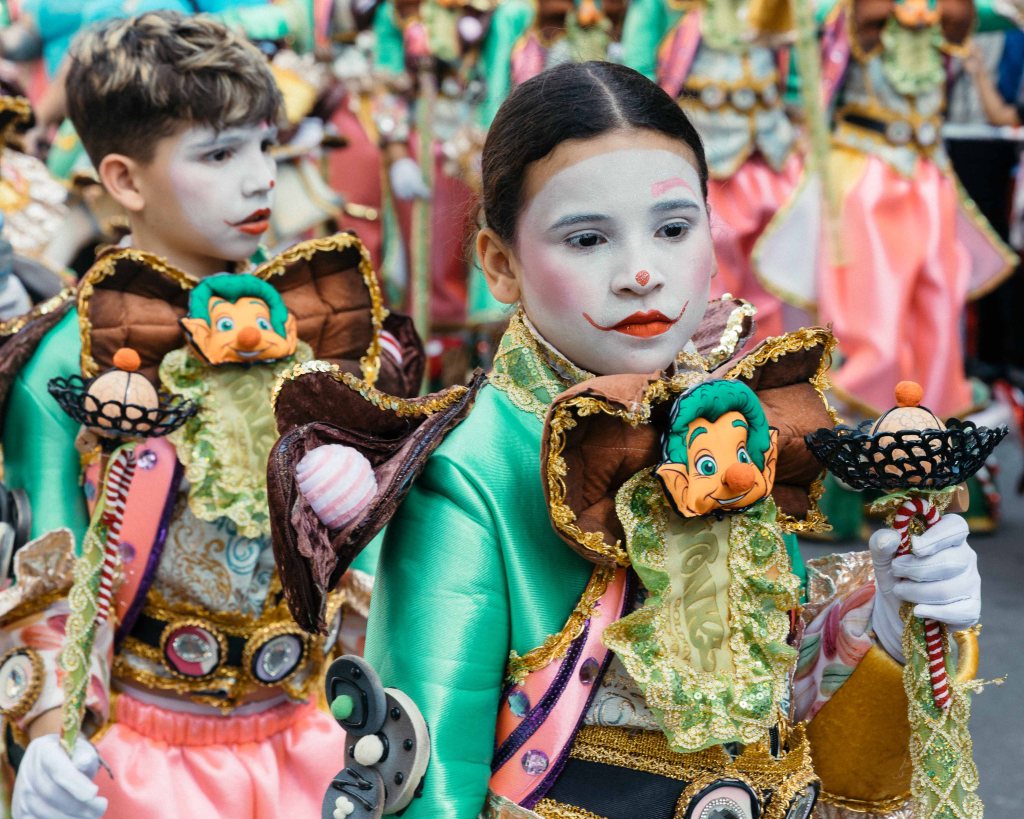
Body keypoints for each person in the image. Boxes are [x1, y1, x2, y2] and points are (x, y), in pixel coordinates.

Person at [271, 62, 983, 818]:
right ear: (500, 265)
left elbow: (774, 721)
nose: (642, 272)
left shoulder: (726, 420)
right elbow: (428, 784)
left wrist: (886, 626)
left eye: (674, 228)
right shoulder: (467, 470)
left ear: (715, 235)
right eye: (586, 238)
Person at [0, 11, 420, 818]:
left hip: (308, 731)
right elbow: (38, 568)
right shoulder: (65, 354)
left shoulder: (306, 329)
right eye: (221, 154)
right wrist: (50, 735)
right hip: (136, 755)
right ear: (124, 179)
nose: (262, 176)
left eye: (265, 143)